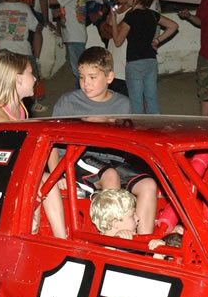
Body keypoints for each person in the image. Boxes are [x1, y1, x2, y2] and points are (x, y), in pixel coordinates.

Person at [51, 47, 158, 235]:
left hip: (113, 160)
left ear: (109, 77)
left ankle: (142, 244)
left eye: (92, 77)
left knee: (149, 184)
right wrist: (57, 175)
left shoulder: (123, 104)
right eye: (82, 77)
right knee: (110, 176)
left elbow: (129, 143)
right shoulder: (68, 102)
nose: (86, 83)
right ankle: (113, 238)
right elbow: (50, 142)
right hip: (77, 158)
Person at [0, 52, 66, 239]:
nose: (35, 79)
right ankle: (35, 232)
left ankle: (61, 238)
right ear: (17, 79)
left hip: (10, 173)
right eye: (30, 73)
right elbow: (7, 159)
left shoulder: (20, 109)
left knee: (47, 179)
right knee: (38, 181)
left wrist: (55, 173)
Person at [109, 0, 178, 114]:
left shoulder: (131, 16)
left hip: (134, 62)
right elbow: (173, 26)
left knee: (136, 102)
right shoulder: (152, 14)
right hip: (150, 60)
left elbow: (117, 41)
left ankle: (139, 126)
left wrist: (113, 18)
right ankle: (155, 124)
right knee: (151, 99)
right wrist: (158, 40)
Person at [89, 189, 177, 257]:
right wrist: (116, 242)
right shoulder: (99, 248)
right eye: (132, 215)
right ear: (115, 223)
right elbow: (107, 260)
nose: (138, 218)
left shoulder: (134, 239)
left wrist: (156, 248)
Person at [49, 0, 87, 90]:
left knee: (78, 71)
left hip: (74, 36)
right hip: (76, 35)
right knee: (78, 69)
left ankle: (80, 95)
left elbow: (53, 1)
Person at [100, 0, 135, 96]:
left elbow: (113, 32)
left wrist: (107, 27)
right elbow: (104, 33)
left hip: (124, 67)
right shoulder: (116, 9)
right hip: (113, 65)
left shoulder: (132, 13)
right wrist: (109, 28)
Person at [24, 0, 51, 106]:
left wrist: (46, 20)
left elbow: (43, 0)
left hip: (36, 13)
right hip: (25, 12)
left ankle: (37, 58)